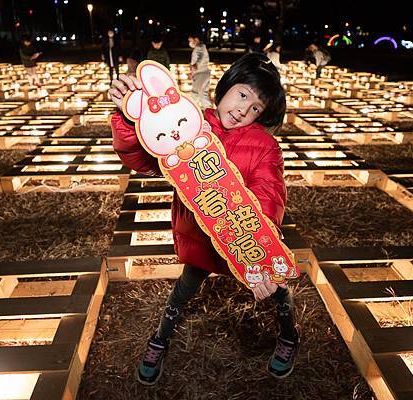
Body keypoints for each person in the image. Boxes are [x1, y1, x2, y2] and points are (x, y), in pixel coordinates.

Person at [108, 53, 299, 385]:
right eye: (242, 95)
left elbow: (269, 191)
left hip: (244, 241)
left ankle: (288, 334)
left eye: (256, 108)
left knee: (276, 288)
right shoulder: (185, 123)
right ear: (225, 87)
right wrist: (130, 120)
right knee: (183, 290)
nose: (244, 109)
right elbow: (141, 157)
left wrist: (258, 242)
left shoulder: (264, 146)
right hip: (200, 239)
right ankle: (160, 339)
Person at [188, 32, 211, 109]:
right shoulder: (201, 47)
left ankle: (192, 109)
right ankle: (208, 109)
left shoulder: (199, 47)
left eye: (190, 40)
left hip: (201, 73)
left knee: (195, 93)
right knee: (204, 93)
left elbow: (201, 58)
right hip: (204, 72)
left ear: (196, 39)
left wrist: (195, 66)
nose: (190, 43)